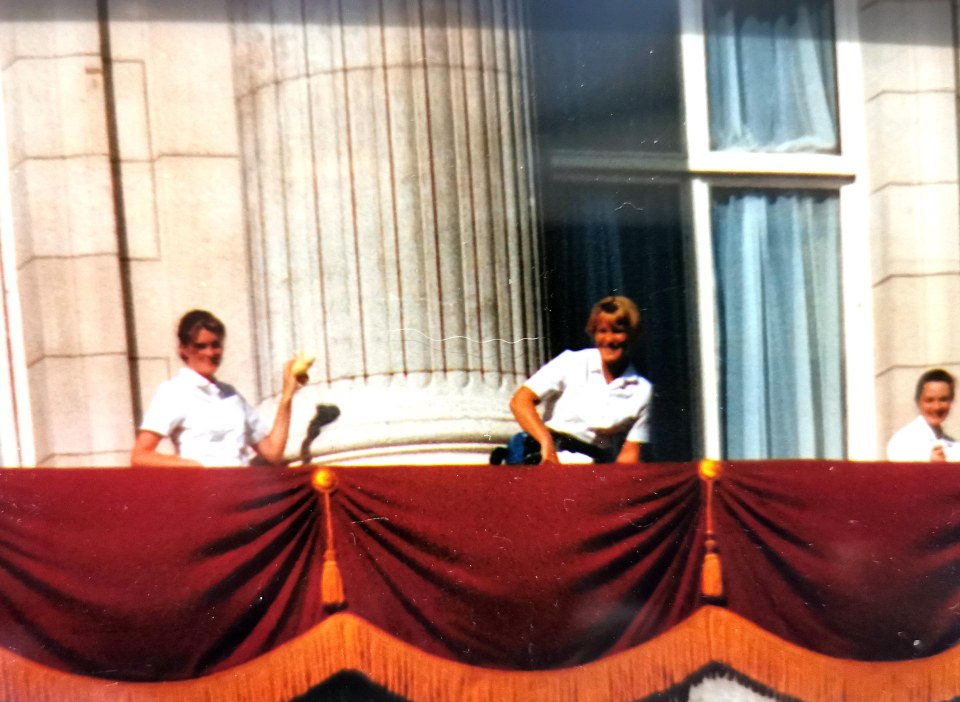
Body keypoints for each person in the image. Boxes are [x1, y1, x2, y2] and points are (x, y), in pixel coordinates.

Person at [130, 309, 303, 467]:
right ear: (183, 350)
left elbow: (273, 452)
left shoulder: (231, 395)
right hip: (204, 491)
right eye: (201, 346)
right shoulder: (174, 392)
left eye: (216, 345)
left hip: (241, 489)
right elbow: (141, 456)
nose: (210, 353)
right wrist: (193, 466)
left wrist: (287, 394)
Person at [507, 296, 651, 464]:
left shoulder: (643, 391)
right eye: (602, 331)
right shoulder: (571, 362)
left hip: (592, 470)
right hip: (548, 459)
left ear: (631, 334)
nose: (609, 339)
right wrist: (546, 444)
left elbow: (629, 455)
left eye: (617, 331)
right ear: (594, 334)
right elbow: (520, 402)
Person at [886, 368, 958, 462]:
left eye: (943, 400)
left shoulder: (956, 447)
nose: (937, 407)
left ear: (951, 401)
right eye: (929, 400)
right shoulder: (902, 442)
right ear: (918, 402)